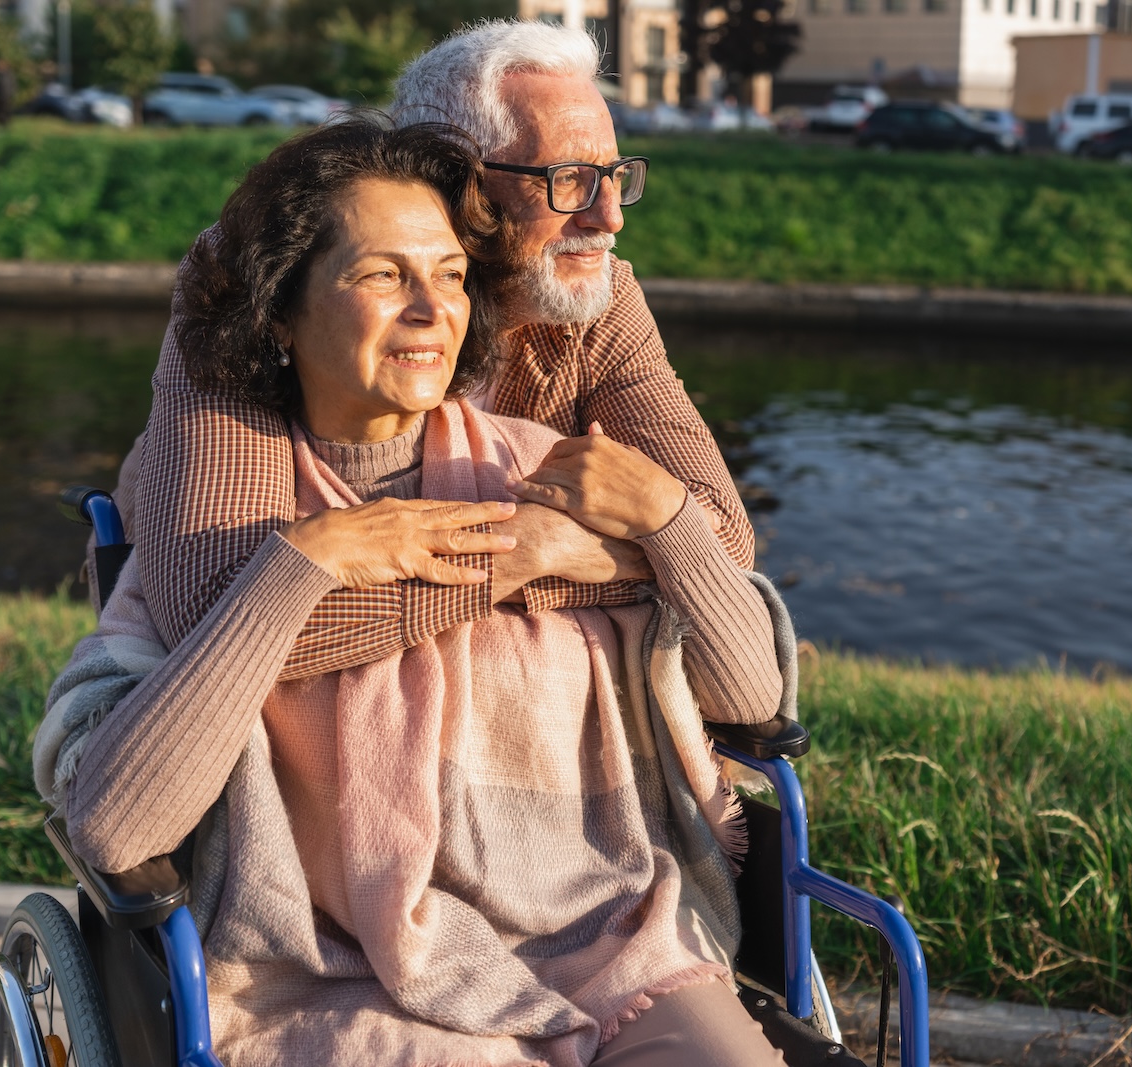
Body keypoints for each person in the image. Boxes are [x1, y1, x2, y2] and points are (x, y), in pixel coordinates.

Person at [38, 118, 788, 1066]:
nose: (432, 309)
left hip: (611, 948)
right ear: (279, 311)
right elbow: (115, 825)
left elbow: (752, 694)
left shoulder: (542, 476)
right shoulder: (226, 541)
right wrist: (296, 569)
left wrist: (669, 525)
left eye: (449, 275)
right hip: (348, 981)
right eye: (384, 276)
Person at [109, 20, 751, 677]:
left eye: (615, 175)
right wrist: (527, 551)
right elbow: (210, 611)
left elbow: (722, 545)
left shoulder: (600, 294)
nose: (609, 217)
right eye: (569, 180)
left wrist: (549, 550)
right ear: (459, 178)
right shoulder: (258, 269)